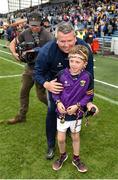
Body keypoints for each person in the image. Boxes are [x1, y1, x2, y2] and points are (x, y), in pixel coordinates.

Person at [34, 21, 98, 160]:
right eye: (62, 41)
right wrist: (46, 84)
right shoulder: (47, 50)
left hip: (77, 87)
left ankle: (70, 129)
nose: (66, 44)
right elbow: (37, 73)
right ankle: (51, 145)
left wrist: (89, 102)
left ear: (75, 38)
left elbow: (90, 75)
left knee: (75, 108)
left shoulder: (84, 48)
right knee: (52, 111)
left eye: (70, 40)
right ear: (56, 39)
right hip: (55, 86)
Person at [52, 44, 94, 172]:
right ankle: (62, 155)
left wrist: (77, 106)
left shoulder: (87, 77)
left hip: (77, 114)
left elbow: (89, 95)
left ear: (85, 63)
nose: (74, 64)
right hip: (62, 114)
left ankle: (76, 158)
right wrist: (58, 102)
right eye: (71, 61)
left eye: (78, 61)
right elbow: (55, 92)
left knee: (75, 137)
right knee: (61, 138)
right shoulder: (61, 74)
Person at [7, 12, 53, 125]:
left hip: (41, 70)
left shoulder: (47, 35)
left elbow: (52, 50)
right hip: (29, 68)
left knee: (41, 96)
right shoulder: (25, 33)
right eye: (32, 25)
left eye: (36, 25)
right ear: (28, 24)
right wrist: (14, 53)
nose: (34, 27)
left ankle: (58, 110)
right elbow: (13, 43)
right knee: (23, 91)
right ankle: (21, 116)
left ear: (41, 24)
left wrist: (36, 50)